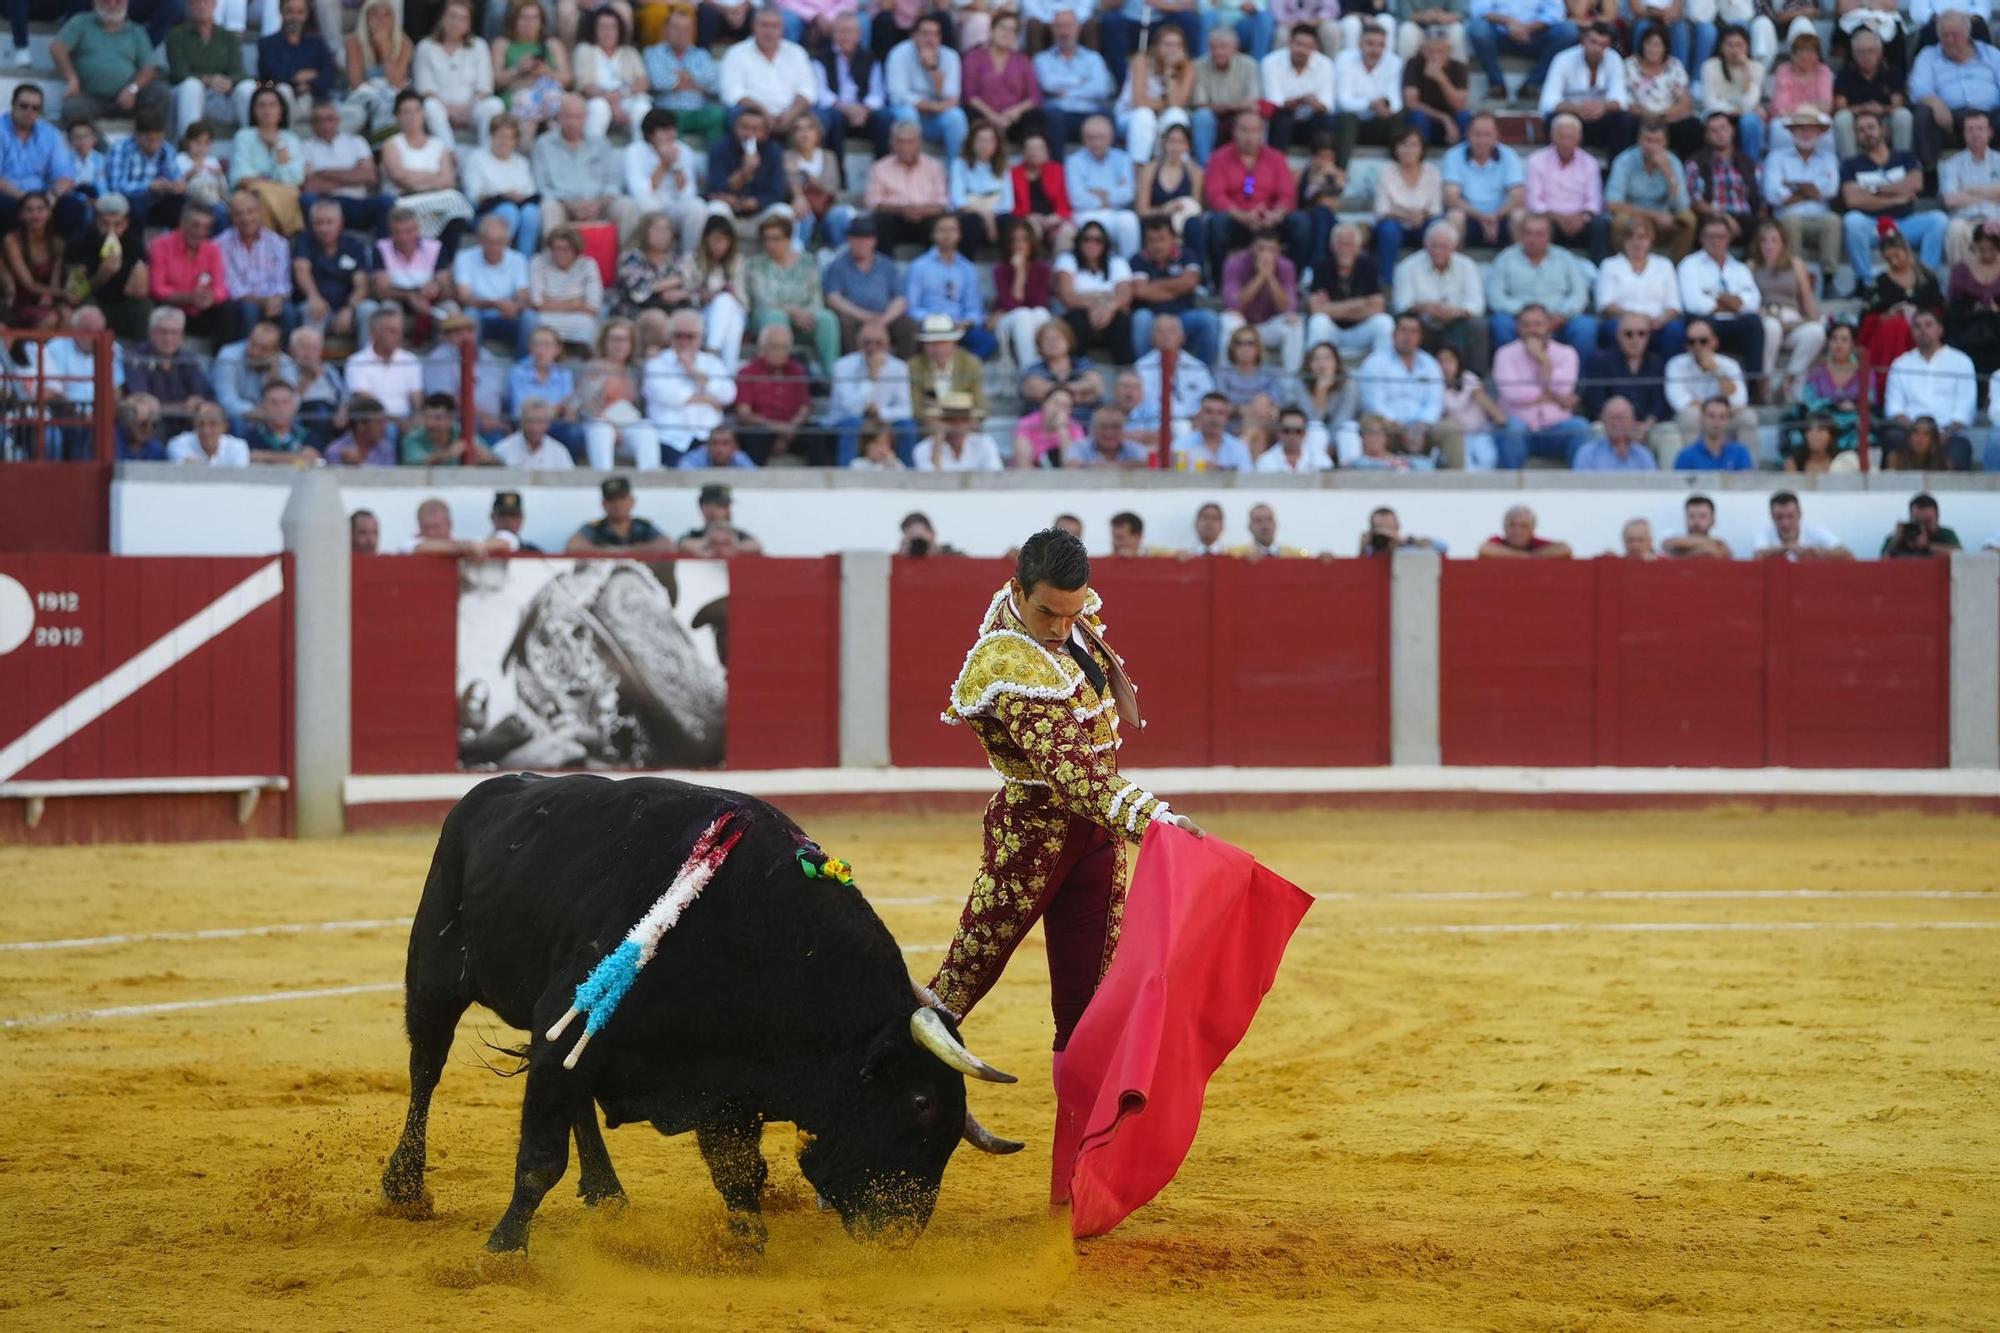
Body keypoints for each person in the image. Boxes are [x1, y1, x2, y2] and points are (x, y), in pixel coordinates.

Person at [927, 527, 1207, 1097]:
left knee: (1089, 1009)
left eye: (1071, 613)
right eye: (1048, 613)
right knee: (955, 990)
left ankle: (1081, 1163)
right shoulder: (1007, 662)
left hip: (1096, 840)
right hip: (1030, 841)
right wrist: (1155, 819)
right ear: (1018, 590)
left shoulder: (1070, 619)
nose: (1060, 629)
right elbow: (1074, 778)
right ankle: (868, 1111)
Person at [1841, 111, 1944, 289]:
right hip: (1873, 226)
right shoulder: (1851, 165)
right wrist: (1896, 199)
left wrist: (1873, 190)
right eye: (1861, 130)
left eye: (1871, 127)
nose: (1867, 133)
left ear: (1883, 129)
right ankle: (1866, 283)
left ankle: (1924, 278)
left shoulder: (1905, 157)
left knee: (1938, 220)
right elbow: (1853, 199)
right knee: (1852, 221)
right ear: (1856, 136)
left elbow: (1915, 184)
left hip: (1905, 224)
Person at [1199, 112, 1296, 280]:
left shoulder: (1276, 158)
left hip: (1269, 219)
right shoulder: (1219, 158)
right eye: (1244, 130)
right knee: (1217, 223)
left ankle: (1293, 279)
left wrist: (1275, 215)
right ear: (1234, 132)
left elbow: (1286, 195)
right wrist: (1242, 216)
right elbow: (1216, 196)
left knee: (1300, 224)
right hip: (1236, 220)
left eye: (1254, 131)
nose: (1249, 136)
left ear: (1262, 133)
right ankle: (1219, 280)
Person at [1491, 303, 1589, 466]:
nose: (1532, 330)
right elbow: (1513, 394)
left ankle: (1578, 489)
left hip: (1556, 426)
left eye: (1537, 324)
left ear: (1549, 325)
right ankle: (1509, 490)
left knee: (1580, 427)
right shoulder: (1504, 354)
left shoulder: (1567, 353)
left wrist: (1543, 360)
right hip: (1520, 427)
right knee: (1511, 428)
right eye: (1526, 325)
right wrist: (1555, 398)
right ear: (1518, 327)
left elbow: (1564, 388)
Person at [1676, 215, 1765, 391]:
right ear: (1701, 238)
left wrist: (1714, 295)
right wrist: (1734, 301)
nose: (1716, 241)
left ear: (1729, 238)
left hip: (1735, 325)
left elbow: (1752, 303)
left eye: (1721, 236)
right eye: (1710, 236)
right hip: (1706, 323)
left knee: (1753, 322)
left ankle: (1755, 385)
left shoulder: (1740, 268)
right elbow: (1695, 304)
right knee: (1695, 321)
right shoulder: (1689, 265)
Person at [1485, 211, 1595, 350]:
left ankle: (1581, 372)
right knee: (1500, 323)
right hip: (1518, 318)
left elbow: (1579, 293)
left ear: (1549, 236)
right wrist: (1523, 314)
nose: (1533, 239)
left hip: (1558, 319)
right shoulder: (1505, 259)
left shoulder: (1565, 258)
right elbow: (1495, 295)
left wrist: (1561, 314)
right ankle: (1509, 370)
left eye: (1539, 234)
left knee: (1585, 326)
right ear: (1521, 235)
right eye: (1528, 233)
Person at [534, 93, 639, 238]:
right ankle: (553, 258)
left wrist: (598, 203)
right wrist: (570, 204)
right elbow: (543, 187)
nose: (572, 122)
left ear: (586, 118)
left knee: (627, 206)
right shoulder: (544, 144)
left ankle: (628, 258)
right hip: (564, 205)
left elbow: (613, 181)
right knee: (549, 207)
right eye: (568, 116)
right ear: (559, 117)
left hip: (599, 203)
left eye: (577, 117)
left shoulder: (600, 143)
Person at [1884, 309, 1978, 470]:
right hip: (1909, 432)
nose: (1923, 331)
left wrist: (1941, 434)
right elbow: (1894, 408)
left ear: (1940, 329)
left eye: (1928, 325)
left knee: (1960, 449)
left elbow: (1965, 410)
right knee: (1891, 438)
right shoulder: (1900, 363)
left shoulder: (1961, 362)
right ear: (1912, 331)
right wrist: (1917, 433)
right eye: (1918, 326)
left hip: (1948, 433)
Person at [53, 0, 171, 127]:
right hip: (90, 97)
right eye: (106, 1)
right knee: (71, 108)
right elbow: (57, 48)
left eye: (118, 1)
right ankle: (100, 145)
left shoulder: (136, 31)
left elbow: (149, 67)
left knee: (160, 92)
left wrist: (132, 89)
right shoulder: (81, 22)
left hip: (129, 98)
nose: (112, 4)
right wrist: (72, 78)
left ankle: (147, 137)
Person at [746, 214, 838, 374]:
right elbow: (762, 299)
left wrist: (804, 314)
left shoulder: (808, 262)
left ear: (788, 239)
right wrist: (792, 311)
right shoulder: (756, 264)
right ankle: (782, 373)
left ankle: (830, 376)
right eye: (766, 239)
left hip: (803, 318)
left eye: (776, 238)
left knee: (827, 319)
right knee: (777, 317)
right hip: (767, 317)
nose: (770, 244)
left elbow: (815, 297)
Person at [1747, 217, 1825, 402]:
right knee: (1771, 327)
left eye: (1774, 240)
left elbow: (1806, 297)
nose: (1769, 245)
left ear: (1783, 243)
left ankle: (1790, 379)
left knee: (1816, 332)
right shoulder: (1751, 266)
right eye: (1764, 240)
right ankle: (1766, 382)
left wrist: (1815, 318)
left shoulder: (1795, 264)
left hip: (1792, 319)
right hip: (1767, 318)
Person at [1394, 220, 1488, 374]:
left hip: (1457, 320)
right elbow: (1402, 303)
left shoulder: (1467, 265)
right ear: (1426, 245)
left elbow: (1477, 303)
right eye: (1434, 246)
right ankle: (1409, 372)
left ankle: (1475, 375)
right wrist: (1425, 307)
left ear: (1453, 247)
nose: (1438, 251)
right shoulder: (1408, 266)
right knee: (1406, 323)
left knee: (1478, 324)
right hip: (1424, 322)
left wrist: (1456, 312)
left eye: (1443, 246)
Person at [1911, 11, 2000, 169]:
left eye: (1956, 35)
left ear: (1967, 34)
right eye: (1945, 35)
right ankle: (1930, 175)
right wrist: (1934, 102)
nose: (1950, 40)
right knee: (1923, 114)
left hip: (1990, 115)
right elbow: (1918, 87)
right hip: (1949, 118)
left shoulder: (1991, 54)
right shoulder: (1928, 55)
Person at [643, 308, 737, 457]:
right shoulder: (656, 363)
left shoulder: (713, 363)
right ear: (670, 337)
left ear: (701, 337)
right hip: (669, 438)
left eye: (690, 336)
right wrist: (707, 399)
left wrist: (693, 371)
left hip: (709, 439)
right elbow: (667, 396)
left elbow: (728, 395)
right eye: (678, 336)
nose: (684, 341)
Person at [300, 97, 395, 240]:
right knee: (307, 199)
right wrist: (353, 175)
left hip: (356, 203)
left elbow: (370, 176)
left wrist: (324, 173)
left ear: (338, 120)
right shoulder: (305, 146)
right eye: (318, 120)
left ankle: (381, 255)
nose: (324, 124)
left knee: (386, 201)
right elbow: (310, 185)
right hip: (325, 205)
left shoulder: (356, 142)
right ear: (312, 124)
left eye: (329, 119)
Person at [1361, 312, 1452, 461]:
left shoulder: (1430, 364)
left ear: (1420, 337)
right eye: (1403, 330)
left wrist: (1421, 425)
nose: (1408, 337)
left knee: (1451, 428)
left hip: (1423, 429)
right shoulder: (1375, 362)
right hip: (1389, 427)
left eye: (1413, 332)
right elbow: (1373, 403)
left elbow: (1435, 401)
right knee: (1371, 425)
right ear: (1393, 334)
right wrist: (1398, 425)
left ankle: (1456, 481)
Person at [906, 214, 998, 359]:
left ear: (959, 234)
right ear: (933, 234)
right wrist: (932, 320)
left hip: (959, 325)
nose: (947, 235)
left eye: (952, 230)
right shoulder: (919, 267)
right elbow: (912, 307)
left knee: (987, 342)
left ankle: (961, 371)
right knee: (911, 339)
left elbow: (974, 308)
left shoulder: (968, 268)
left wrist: (966, 322)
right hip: (929, 325)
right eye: (942, 230)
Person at [1762, 106, 1842, 272]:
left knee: (1833, 221)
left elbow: (1831, 190)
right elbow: (1772, 195)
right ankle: (1794, 274)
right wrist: (1811, 190)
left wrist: (1792, 185)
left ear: (1819, 132)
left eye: (1811, 129)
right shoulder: (1776, 157)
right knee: (1791, 220)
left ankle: (1829, 277)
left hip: (1819, 219)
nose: (1806, 133)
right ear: (1792, 131)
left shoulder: (1829, 158)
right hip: (1787, 217)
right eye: (1801, 128)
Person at [1305, 221, 1395, 364]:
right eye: (1340, 244)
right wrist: (1360, 304)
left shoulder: (1369, 266)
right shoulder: (1321, 266)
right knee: (1318, 321)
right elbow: (1316, 309)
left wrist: (1332, 307)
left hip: (1360, 329)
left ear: (1358, 248)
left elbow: (1378, 307)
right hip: (1332, 330)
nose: (1345, 249)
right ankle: (1316, 372)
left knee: (1384, 322)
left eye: (1350, 244)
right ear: (1332, 246)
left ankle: (1382, 371)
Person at [1606, 119, 1696, 262]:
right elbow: (1613, 203)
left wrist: (1668, 174)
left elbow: (1682, 206)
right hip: (1634, 215)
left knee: (1688, 219)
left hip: (1665, 218)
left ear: (1665, 142)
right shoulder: (1624, 160)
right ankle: (1625, 264)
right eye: (1647, 140)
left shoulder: (1673, 162)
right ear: (1639, 140)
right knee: (1618, 222)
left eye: (1657, 141)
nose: (1652, 146)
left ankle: (1676, 267)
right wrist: (1654, 216)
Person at [1595, 215, 1684, 359]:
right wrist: (1637, 319)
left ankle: (1667, 378)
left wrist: (1661, 319)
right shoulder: (1609, 265)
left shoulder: (1664, 265)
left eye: (1642, 237)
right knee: (1615, 330)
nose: (1636, 243)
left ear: (1650, 240)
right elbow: (1605, 305)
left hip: (1657, 323)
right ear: (1623, 241)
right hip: (1621, 321)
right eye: (1631, 238)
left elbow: (1673, 304)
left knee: (1675, 331)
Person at [719, 6, 815, 139]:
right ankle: (749, 157)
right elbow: (733, 93)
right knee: (737, 116)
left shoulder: (797, 53)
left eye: (775, 26)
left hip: (791, 115)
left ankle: (821, 159)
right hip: (753, 113)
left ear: (782, 29)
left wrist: (791, 114)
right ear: (753, 27)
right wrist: (763, 113)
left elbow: (807, 91)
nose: (769, 31)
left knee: (823, 117)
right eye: (764, 25)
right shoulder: (736, 53)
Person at [415, 0, 503, 146]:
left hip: (472, 108)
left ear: (468, 24)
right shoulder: (425, 47)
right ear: (442, 18)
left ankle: (485, 153)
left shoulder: (479, 46)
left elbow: (484, 86)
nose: (456, 22)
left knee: (495, 105)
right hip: (441, 107)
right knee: (429, 106)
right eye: (452, 16)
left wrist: (468, 109)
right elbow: (425, 89)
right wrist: (450, 110)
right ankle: (449, 152)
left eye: (462, 18)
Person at [1523, 112, 1608, 260]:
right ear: (1552, 137)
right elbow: (1534, 202)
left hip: (1582, 220)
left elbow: (1594, 201)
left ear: (1579, 138)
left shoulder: (1590, 163)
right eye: (1562, 137)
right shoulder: (1536, 161)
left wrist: (1582, 217)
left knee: (1600, 224)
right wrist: (1557, 217)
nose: (1566, 142)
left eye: (1571, 137)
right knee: (1536, 225)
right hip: (1549, 218)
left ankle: (1598, 269)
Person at [1032, 7, 1115, 157]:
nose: (1064, 32)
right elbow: (1048, 84)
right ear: (1052, 29)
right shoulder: (1041, 59)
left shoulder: (1093, 58)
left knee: (1107, 117)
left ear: (1079, 28)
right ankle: (1057, 170)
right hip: (1059, 115)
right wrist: (1081, 81)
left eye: (1068, 26)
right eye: (1059, 26)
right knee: (1052, 117)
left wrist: (1066, 91)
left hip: (1089, 112)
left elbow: (1100, 88)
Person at [732, 321, 819, 465]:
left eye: (784, 347)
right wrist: (777, 427)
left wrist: (788, 431)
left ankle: (821, 484)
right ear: (762, 348)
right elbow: (744, 414)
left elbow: (804, 408)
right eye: (774, 347)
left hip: (792, 429)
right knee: (755, 435)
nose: (780, 352)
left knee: (817, 433)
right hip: (763, 429)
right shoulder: (748, 372)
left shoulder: (797, 371)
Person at [147, 203, 233, 343]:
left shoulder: (213, 250)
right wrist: (188, 297)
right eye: (196, 225)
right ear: (182, 224)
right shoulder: (161, 245)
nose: (200, 232)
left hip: (201, 309)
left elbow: (221, 288)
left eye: (206, 227)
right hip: (172, 306)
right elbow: (157, 288)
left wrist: (210, 297)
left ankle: (222, 358)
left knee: (228, 308)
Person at [1539, 21, 1631, 151]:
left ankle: (1616, 168)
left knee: (1622, 119)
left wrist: (1602, 107)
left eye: (1603, 45)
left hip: (1600, 118)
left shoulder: (1614, 59)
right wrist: (1576, 108)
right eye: (1593, 42)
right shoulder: (1563, 59)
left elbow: (1621, 101)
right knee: (1553, 119)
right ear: (1583, 41)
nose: (1597, 49)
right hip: (1571, 116)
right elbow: (1548, 102)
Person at [1666, 317, 1758, 445]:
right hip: (1696, 420)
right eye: (1691, 342)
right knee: (1690, 415)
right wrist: (1712, 412)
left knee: (1748, 417)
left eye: (1703, 341)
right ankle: (1694, 464)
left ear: (1714, 342)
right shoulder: (1675, 364)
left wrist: (1716, 370)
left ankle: (1747, 465)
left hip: (1724, 419)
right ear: (1686, 345)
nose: (1697, 346)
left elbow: (1739, 401)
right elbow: (1680, 402)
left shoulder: (1730, 365)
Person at [1466, 0, 1579, 104]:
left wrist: (1527, 28)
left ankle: (1532, 85)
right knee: (1478, 28)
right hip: (1499, 34)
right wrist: (1509, 22)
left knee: (1568, 31)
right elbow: (1480, 10)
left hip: (1534, 34)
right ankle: (1497, 85)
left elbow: (1556, 12)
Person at [1442, 112, 1527, 248]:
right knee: (1454, 217)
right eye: (1477, 134)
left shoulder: (1509, 155)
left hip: (1501, 217)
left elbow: (1517, 197)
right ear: (1468, 135)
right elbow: (1451, 198)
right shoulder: (1453, 155)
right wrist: (1482, 217)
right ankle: (1457, 267)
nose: (1482, 140)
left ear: (1496, 136)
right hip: (1469, 217)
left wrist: (1495, 217)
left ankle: (1521, 267)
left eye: (1488, 135)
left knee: (1520, 216)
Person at [1064, 115, 1141, 260]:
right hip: (1086, 214)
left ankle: (1131, 265)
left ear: (1111, 138)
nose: (1096, 143)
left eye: (1100, 137)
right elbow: (1077, 199)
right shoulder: (1073, 161)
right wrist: (1111, 194)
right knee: (1089, 224)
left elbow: (1128, 193)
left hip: (1116, 213)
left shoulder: (1123, 158)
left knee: (1129, 219)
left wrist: (1096, 193)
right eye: (1090, 138)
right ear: (1083, 139)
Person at [865, 119, 949, 249]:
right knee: (881, 220)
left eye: (910, 142)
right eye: (900, 142)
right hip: (896, 220)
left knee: (942, 222)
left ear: (919, 143)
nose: (905, 148)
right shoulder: (880, 167)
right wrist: (902, 210)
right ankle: (886, 267)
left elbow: (942, 203)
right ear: (892, 143)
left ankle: (935, 267)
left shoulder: (934, 166)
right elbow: (873, 203)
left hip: (926, 219)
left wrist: (922, 210)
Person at [1685, 109, 1763, 246]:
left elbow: (1760, 198)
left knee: (1764, 229)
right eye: (1713, 131)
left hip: (1745, 219)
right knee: (1709, 228)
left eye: (1723, 128)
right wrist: (1723, 217)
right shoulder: (1696, 163)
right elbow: (1694, 200)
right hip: (1712, 217)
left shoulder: (1749, 164)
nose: (1720, 134)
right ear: (1706, 136)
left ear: (1732, 130)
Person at [648, 5, 725, 143]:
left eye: (686, 29)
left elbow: (714, 85)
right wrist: (698, 84)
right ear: (666, 30)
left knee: (718, 116)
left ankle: (716, 163)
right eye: (676, 27)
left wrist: (678, 79)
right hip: (668, 112)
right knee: (665, 125)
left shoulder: (702, 55)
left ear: (692, 32)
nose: (681, 33)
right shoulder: (653, 53)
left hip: (698, 112)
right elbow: (658, 82)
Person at [258, 0, 338, 127]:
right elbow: (272, 75)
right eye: (290, 11)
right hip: (287, 102)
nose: (295, 17)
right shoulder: (267, 44)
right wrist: (307, 76)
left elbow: (329, 76)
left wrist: (310, 85)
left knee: (355, 113)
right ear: (281, 12)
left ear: (307, 15)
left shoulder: (317, 43)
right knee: (283, 91)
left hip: (317, 102)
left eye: (300, 12)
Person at [1190, 24, 1263, 161]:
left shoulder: (1249, 65)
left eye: (1223, 47)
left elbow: (1252, 102)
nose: (1218, 52)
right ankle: (1205, 167)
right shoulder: (1198, 66)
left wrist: (1226, 107)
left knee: (1251, 117)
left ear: (1235, 48)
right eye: (1214, 47)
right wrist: (1233, 105)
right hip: (1212, 117)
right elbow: (1201, 105)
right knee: (1202, 116)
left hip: (1238, 115)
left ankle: (1249, 164)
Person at [1698, 23, 1765, 160]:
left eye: (1739, 45)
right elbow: (1710, 102)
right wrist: (1734, 110)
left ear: (1747, 47)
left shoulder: (1757, 68)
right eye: (1730, 45)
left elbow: (1750, 102)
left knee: (1750, 121)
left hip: (1743, 116)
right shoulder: (1709, 66)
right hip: (1717, 114)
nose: (1735, 50)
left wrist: (1746, 71)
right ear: (1722, 47)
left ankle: (1750, 166)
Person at [1943, 110, 2000, 266]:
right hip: (1965, 222)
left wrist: (1969, 190)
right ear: (1964, 134)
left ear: (1990, 132)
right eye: (1970, 129)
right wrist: (1993, 193)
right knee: (1955, 229)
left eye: (1980, 129)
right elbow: (1950, 200)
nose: (1975, 134)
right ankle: (1961, 285)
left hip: (1996, 219)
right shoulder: (1951, 164)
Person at [565, 475, 677, 553]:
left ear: (632, 501)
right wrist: (609, 553)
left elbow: (667, 546)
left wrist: (629, 551)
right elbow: (573, 546)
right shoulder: (595, 528)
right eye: (611, 499)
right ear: (603, 504)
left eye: (622, 498)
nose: (617, 504)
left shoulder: (643, 527)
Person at [1403, 23, 1470, 148]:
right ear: (1422, 50)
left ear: (1449, 51)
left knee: (1465, 117)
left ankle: (1463, 157)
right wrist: (1444, 118)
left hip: (1452, 123)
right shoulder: (1413, 64)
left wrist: (1442, 80)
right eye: (1430, 51)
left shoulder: (1459, 68)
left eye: (1440, 51)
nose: (1435, 56)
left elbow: (1460, 105)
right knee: (1417, 115)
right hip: (1426, 120)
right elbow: (1411, 103)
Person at [912, 392, 1005, 471]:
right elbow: (929, 484)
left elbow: (996, 478)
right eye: (950, 419)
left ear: (971, 422)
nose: (958, 425)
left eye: (963, 419)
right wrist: (937, 443)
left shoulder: (985, 443)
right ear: (940, 421)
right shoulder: (923, 449)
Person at [1754, 490, 1853, 561]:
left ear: (1800, 514)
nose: (1785, 523)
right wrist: (1787, 548)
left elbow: (1848, 556)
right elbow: (1757, 557)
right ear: (1771, 516)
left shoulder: (1814, 531)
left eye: (1790, 516)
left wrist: (1818, 553)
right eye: (1779, 517)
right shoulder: (1765, 533)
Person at [1571, 395, 1659, 470]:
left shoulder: (1643, 456)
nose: (1616, 423)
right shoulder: (1588, 454)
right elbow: (1582, 488)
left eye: (1621, 418)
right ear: (1603, 421)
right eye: (1612, 417)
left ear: (1632, 421)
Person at [1672, 394, 1755, 469]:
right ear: (1702, 419)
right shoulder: (1686, 456)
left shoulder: (1740, 453)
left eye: (1722, 417)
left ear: (1728, 420)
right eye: (1711, 416)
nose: (1716, 421)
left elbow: (1747, 484)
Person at [166, 399, 252, 467]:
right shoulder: (178, 444)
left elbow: (238, 480)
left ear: (224, 427)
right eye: (201, 424)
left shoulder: (238, 447)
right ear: (194, 425)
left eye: (213, 424)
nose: (206, 431)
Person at [1881, 494, 1964, 556]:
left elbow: (1958, 555)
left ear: (1937, 517)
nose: (1923, 526)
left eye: (1928, 521)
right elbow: (1883, 561)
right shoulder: (1898, 537)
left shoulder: (1945, 535)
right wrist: (1897, 541)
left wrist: (1928, 546)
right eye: (1918, 521)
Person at [1478, 504, 1573, 558]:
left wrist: (1529, 556)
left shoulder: (1536, 543)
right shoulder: (1498, 541)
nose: (1517, 531)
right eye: (1512, 525)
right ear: (1504, 527)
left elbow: (1565, 549)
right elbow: (1484, 549)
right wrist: (1525, 557)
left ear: (1533, 529)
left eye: (1524, 526)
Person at [1661, 492, 1732, 559]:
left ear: (1713, 521)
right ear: (1685, 519)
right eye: (1691, 516)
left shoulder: (1721, 546)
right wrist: (1707, 546)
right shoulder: (1672, 544)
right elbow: (1668, 544)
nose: (1696, 521)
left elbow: (1721, 554)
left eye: (1702, 516)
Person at [678, 421, 759, 469]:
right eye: (715, 443)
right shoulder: (695, 458)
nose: (719, 448)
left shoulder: (739, 458)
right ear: (707, 446)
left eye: (725, 443)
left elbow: (755, 477)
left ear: (735, 447)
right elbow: (682, 472)